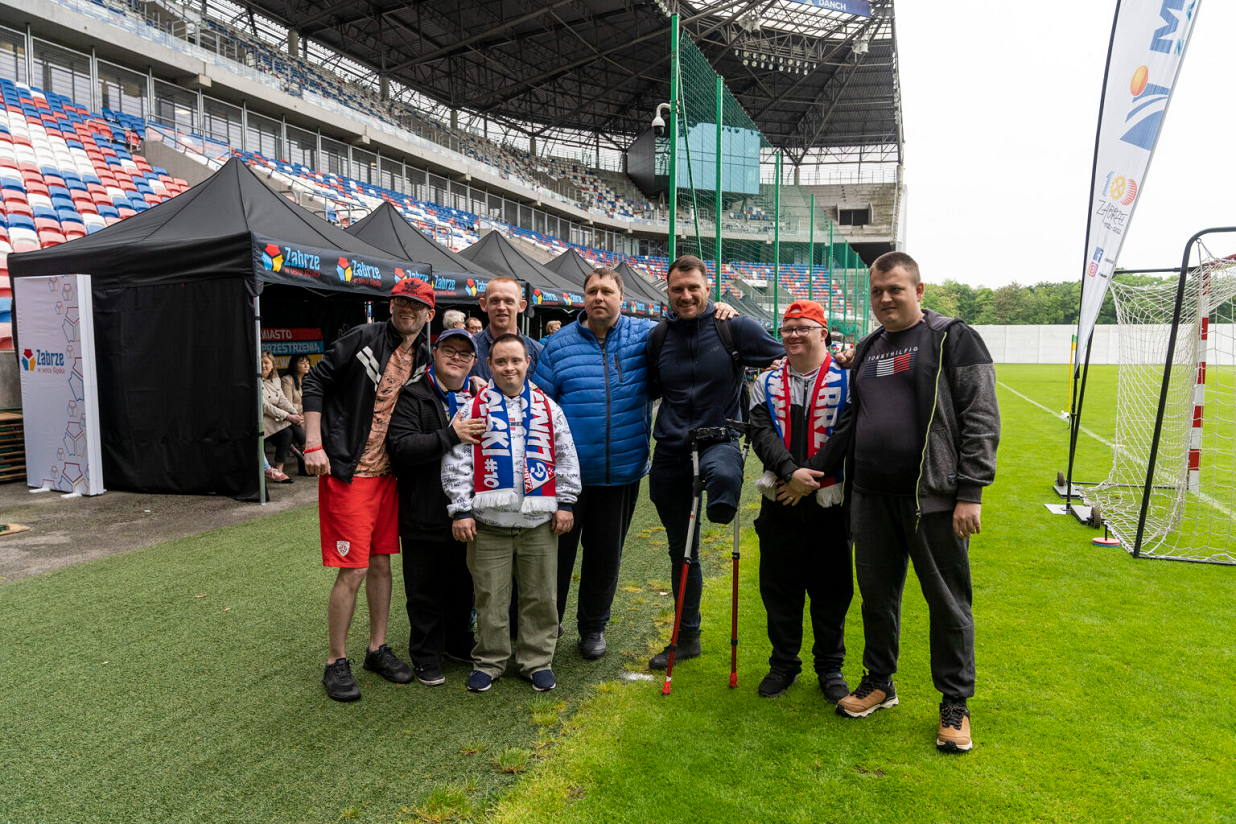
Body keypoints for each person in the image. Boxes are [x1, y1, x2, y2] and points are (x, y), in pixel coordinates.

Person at [815, 252, 1000, 754]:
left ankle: (955, 703)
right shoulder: (871, 346)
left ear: (919, 290)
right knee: (876, 595)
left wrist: (970, 492)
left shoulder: (952, 337)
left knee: (947, 603)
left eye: (895, 289)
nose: (884, 299)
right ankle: (880, 681)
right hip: (871, 497)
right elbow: (856, 417)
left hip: (933, 499)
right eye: (877, 291)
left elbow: (981, 416)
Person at [534, 268, 739, 660]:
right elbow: (541, 408)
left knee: (604, 557)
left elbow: (691, 326)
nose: (598, 297)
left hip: (621, 472)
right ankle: (547, 623)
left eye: (606, 291)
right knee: (554, 558)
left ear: (621, 297)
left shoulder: (647, 336)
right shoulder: (558, 345)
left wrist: (719, 311)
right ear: (583, 296)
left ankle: (593, 628)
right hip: (567, 478)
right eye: (591, 290)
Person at [645, 254, 785, 670]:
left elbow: (785, 354)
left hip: (721, 436)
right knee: (681, 549)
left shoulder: (733, 326)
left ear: (708, 288)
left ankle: (722, 503)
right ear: (668, 293)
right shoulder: (659, 336)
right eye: (677, 289)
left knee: (723, 476)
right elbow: (653, 385)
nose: (685, 296)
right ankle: (687, 637)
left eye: (693, 288)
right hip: (671, 448)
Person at [302, 276, 437, 702]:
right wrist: (313, 442)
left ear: (428, 314)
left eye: (415, 305)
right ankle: (334, 660)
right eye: (400, 302)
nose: (405, 309)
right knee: (354, 569)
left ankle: (376, 649)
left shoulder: (424, 356)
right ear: (391, 305)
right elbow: (314, 381)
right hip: (350, 472)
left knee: (381, 564)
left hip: (388, 477)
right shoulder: (364, 336)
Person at [443, 334, 581, 693]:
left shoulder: (550, 408)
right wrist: (460, 510)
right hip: (489, 525)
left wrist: (565, 503)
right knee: (490, 595)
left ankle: (537, 660)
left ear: (527, 363)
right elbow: (456, 461)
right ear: (489, 365)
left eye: (515, 361)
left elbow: (566, 456)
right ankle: (489, 661)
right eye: (501, 361)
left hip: (538, 524)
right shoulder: (471, 410)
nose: (509, 368)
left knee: (540, 595)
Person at [747, 300, 852, 701]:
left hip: (831, 501)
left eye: (802, 328)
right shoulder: (765, 381)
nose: (792, 335)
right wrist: (791, 474)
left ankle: (830, 668)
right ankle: (783, 664)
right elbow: (761, 433)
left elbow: (846, 433)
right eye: (787, 328)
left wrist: (809, 479)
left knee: (832, 590)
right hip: (781, 499)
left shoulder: (847, 376)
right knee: (779, 589)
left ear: (822, 333)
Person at [388, 329, 486, 686]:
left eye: (464, 353)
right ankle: (426, 655)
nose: (457, 358)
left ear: (474, 362)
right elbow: (402, 447)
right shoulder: (413, 395)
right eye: (449, 350)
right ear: (435, 352)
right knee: (424, 589)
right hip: (423, 511)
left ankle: (459, 643)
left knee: (463, 584)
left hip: (468, 510)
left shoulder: (479, 396)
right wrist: (451, 434)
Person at [469, 276, 543, 384]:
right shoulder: (468, 349)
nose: (501, 307)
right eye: (495, 301)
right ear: (484, 304)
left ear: (521, 306)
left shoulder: (538, 353)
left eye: (509, 301)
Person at [261, 351, 302, 484]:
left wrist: (295, 413)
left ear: (273, 365)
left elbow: (282, 400)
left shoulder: (276, 379)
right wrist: (289, 416)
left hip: (275, 417)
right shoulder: (256, 381)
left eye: (266, 362)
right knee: (288, 427)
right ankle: (305, 446)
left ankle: (279, 469)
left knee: (288, 431)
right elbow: (265, 406)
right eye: (260, 363)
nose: (263, 365)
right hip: (262, 420)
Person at [282, 353, 312, 475]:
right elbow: (287, 404)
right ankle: (305, 465)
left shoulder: (309, 380)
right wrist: (306, 410)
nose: (306, 365)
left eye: (308, 362)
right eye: (302, 362)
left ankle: (308, 465)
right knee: (304, 429)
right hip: (291, 417)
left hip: (303, 416)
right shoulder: (287, 380)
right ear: (295, 365)